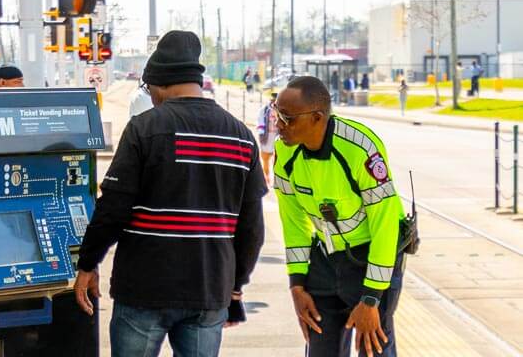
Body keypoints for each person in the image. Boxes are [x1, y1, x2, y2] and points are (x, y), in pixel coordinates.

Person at [73, 31, 266, 357]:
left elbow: (114, 208)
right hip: (209, 286)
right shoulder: (241, 136)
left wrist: (88, 263)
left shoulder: (145, 128)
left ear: (160, 83)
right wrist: (235, 286)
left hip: (145, 287)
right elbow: (251, 227)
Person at [272, 76, 406, 357]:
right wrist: (297, 286)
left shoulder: (359, 148)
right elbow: (293, 222)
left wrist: (371, 299)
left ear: (317, 118)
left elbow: (385, 224)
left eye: (286, 118)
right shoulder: (285, 153)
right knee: (320, 349)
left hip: (369, 260)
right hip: (325, 259)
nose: (278, 125)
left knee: (374, 349)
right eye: (276, 114)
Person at [257, 90, 278, 184]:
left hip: (277, 138)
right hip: (267, 137)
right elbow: (260, 121)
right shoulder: (264, 110)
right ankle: (266, 177)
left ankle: (275, 179)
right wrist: (261, 133)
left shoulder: (281, 110)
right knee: (265, 159)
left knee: (277, 160)